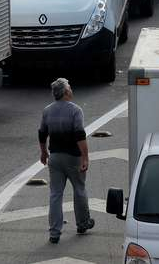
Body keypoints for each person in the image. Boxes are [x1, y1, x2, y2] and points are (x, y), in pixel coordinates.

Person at [38, 78, 94, 244]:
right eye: (69, 87)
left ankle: (54, 233)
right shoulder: (75, 110)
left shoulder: (47, 110)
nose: (71, 89)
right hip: (73, 158)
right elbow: (79, 135)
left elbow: (42, 133)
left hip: (54, 157)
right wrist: (85, 157)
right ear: (66, 92)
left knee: (55, 194)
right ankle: (82, 223)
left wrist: (43, 152)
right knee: (79, 188)